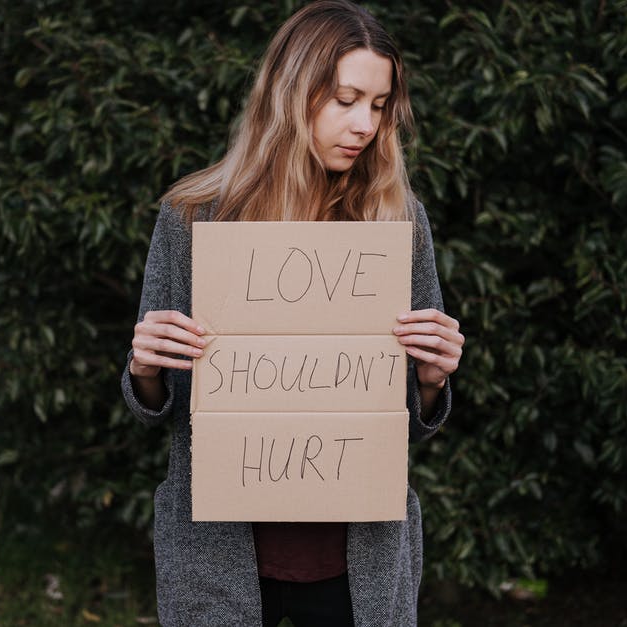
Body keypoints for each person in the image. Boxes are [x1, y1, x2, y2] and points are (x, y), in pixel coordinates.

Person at [120, 1, 464, 625]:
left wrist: (434, 380)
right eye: (344, 98)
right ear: (292, 92)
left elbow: (408, 427)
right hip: (220, 560)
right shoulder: (194, 218)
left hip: (354, 566)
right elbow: (163, 408)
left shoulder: (396, 223)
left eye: (379, 105)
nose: (363, 123)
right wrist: (145, 368)